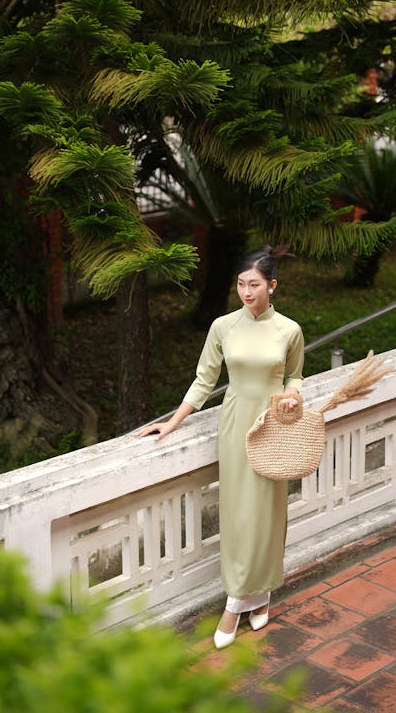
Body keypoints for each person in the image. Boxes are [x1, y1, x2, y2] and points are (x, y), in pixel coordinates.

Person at [136, 245, 304, 648]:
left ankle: (255, 595)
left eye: (255, 285)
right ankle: (240, 598)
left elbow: (296, 376)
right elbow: (204, 380)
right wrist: (171, 423)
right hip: (234, 428)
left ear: (272, 285)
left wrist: (293, 397)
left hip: (271, 427)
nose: (246, 292)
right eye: (241, 284)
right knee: (239, 516)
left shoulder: (289, 330)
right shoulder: (223, 326)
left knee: (268, 513)